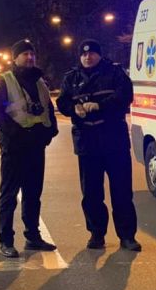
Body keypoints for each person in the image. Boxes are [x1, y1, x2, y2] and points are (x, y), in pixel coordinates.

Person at [57, 39, 141, 252]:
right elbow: (62, 102)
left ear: (99, 55)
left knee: (121, 191)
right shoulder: (72, 78)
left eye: (92, 53)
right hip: (87, 142)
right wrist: (74, 109)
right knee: (91, 193)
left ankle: (127, 236)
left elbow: (125, 96)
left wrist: (100, 105)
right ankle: (96, 234)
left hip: (114, 141)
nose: (88, 57)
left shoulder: (114, 73)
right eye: (84, 54)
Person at [0, 39, 59, 258]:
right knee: (9, 195)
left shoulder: (39, 81)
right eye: (25, 54)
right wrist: (17, 133)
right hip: (15, 146)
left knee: (33, 194)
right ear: (15, 58)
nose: (29, 57)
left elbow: (48, 109)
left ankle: (33, 237)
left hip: (35, 146)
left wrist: (50, 132)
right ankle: (6, 241)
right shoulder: (3, 80)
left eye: (32, 54)